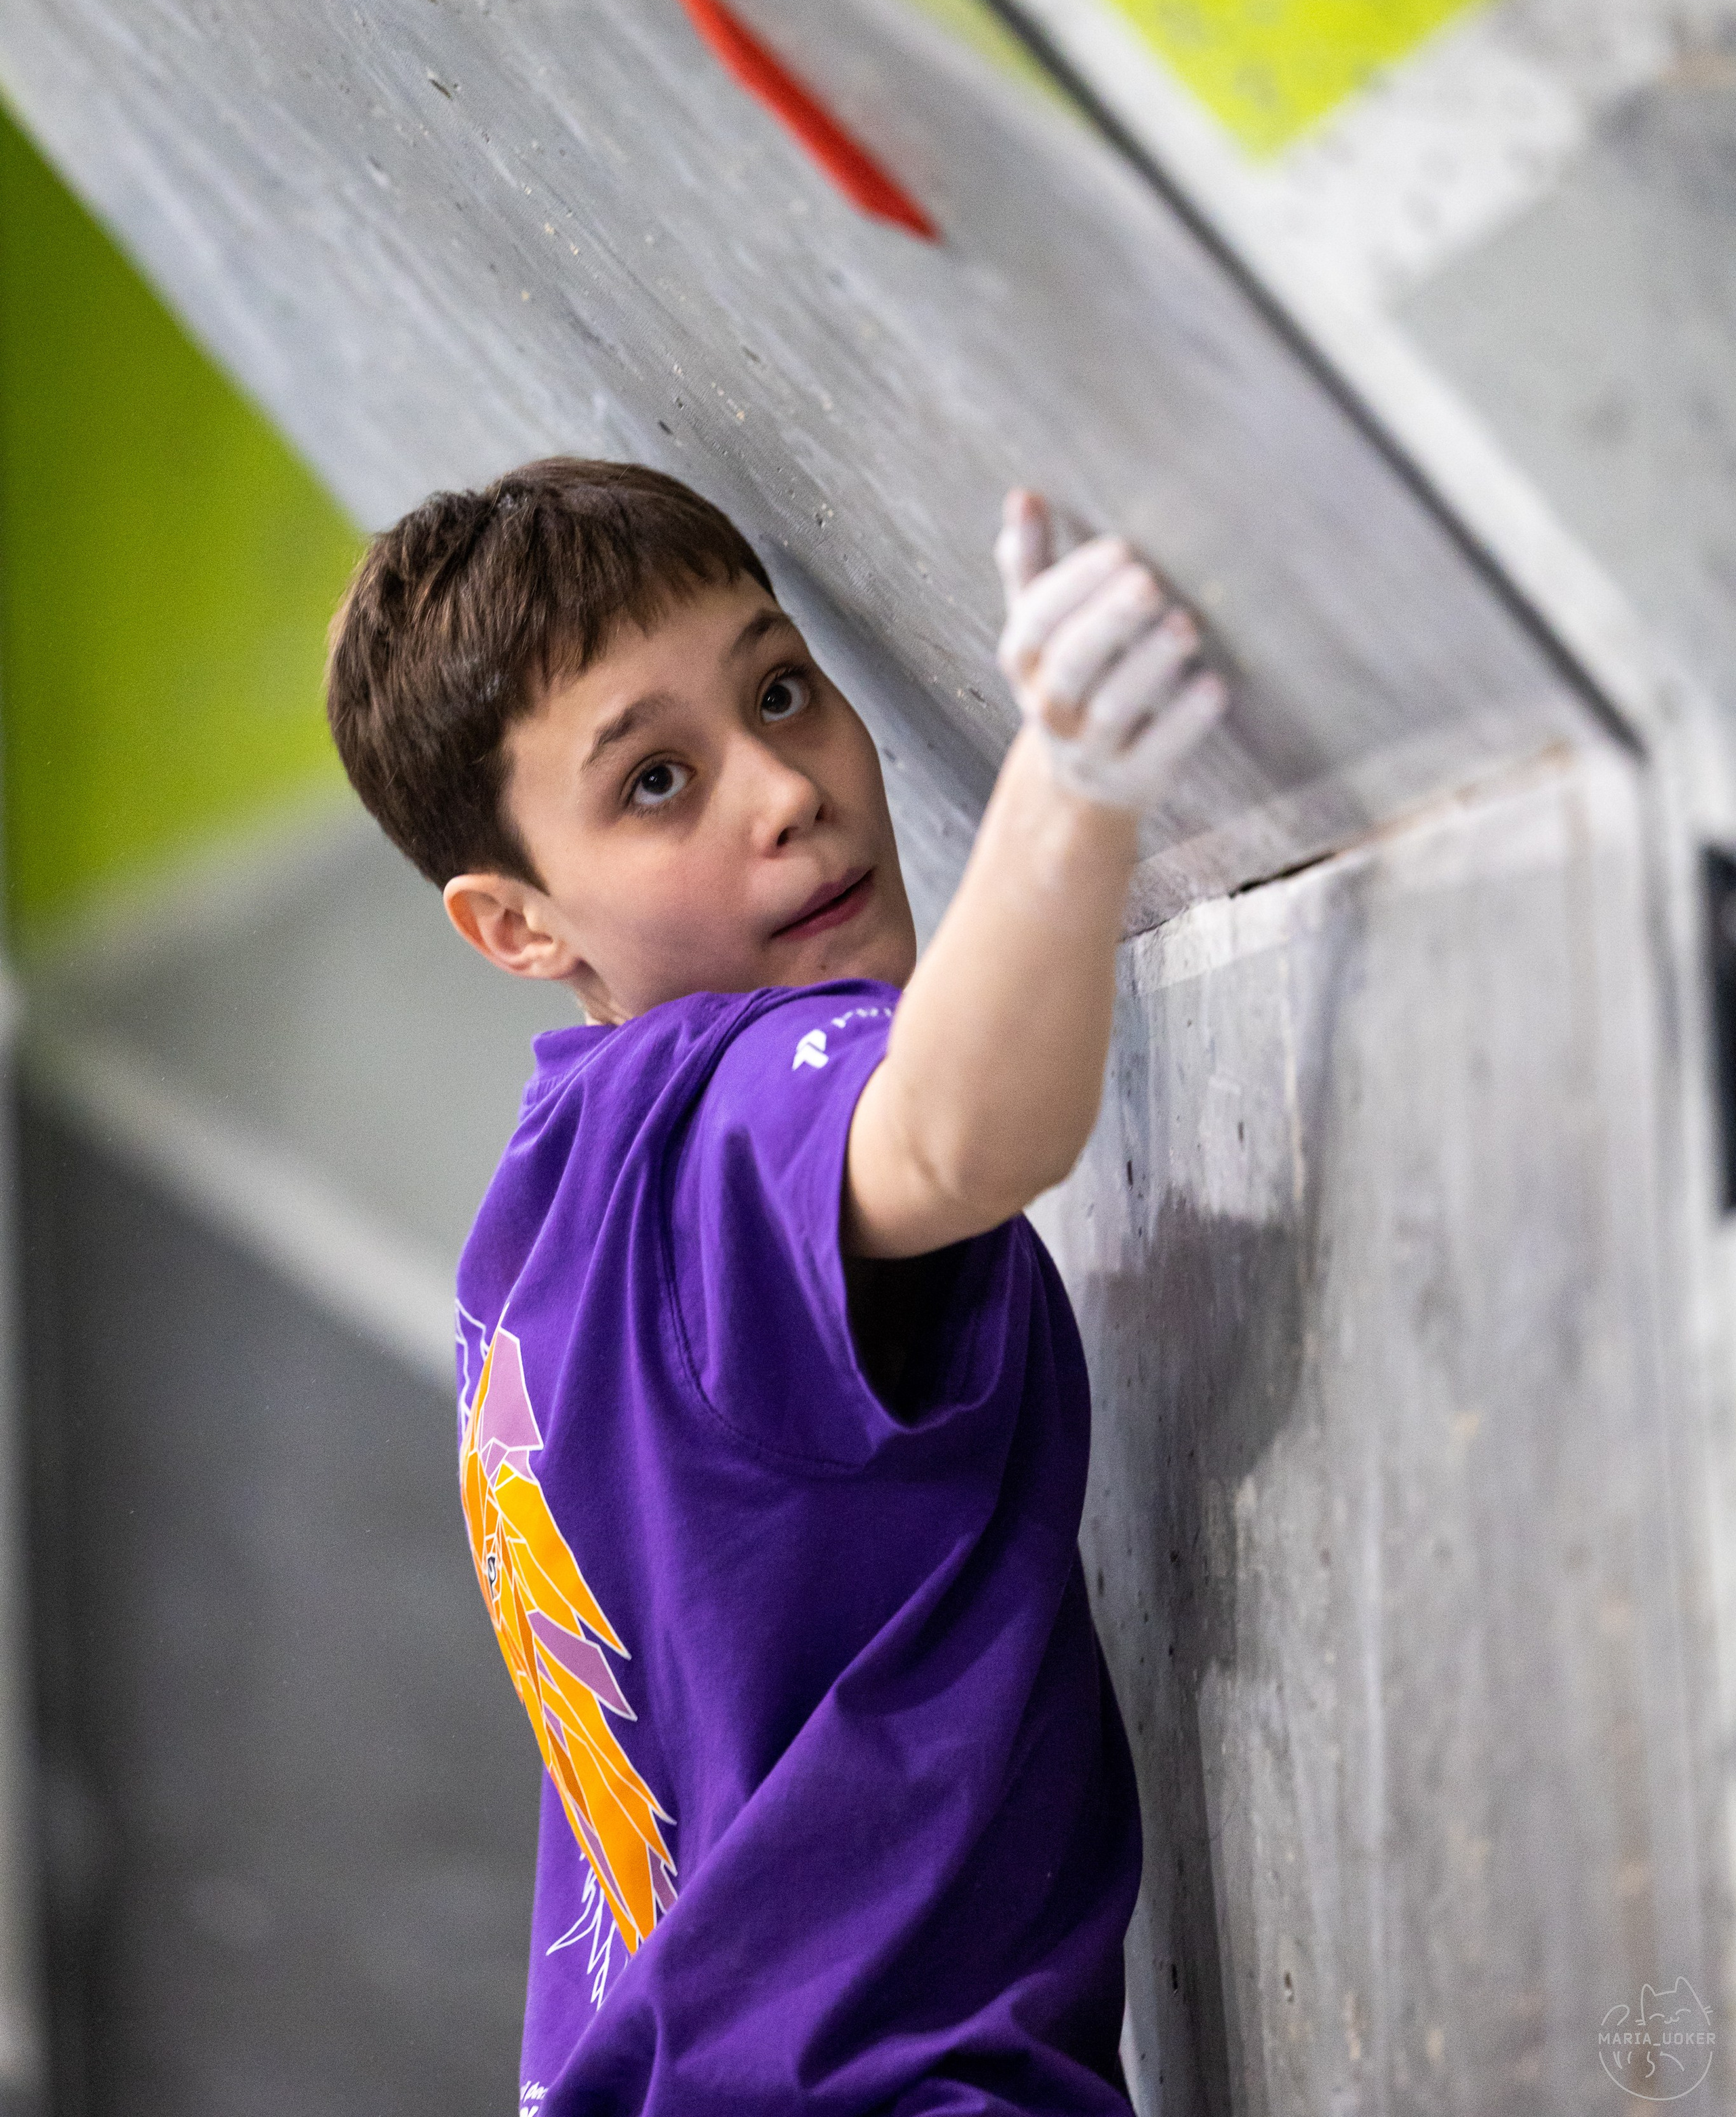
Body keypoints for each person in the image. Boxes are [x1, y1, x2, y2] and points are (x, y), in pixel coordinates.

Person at [325, 457, 1225, 2117]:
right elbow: (955, 1138)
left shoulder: (541, 1214)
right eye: (656, 782)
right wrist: (1068, 788)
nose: (782, 789)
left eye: (783, 690)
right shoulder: (754, 1091)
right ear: (513, 924)